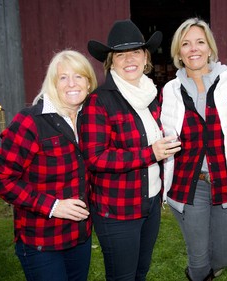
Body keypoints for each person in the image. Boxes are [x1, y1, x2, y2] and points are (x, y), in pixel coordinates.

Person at [81, 19, 181, 281]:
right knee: (122, 277)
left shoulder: (150, 95)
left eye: (136, 52)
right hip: (118, 209)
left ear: (146, 57)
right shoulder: (99, 101)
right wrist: (151, 153)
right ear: (111, 61)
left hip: (150, 202)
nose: (129, 60)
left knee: (140, 272)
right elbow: (95, 157)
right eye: (121, 55)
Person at [0, 49, 98, 281]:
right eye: (63, 77)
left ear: (88, 83)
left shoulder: (90, 120)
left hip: (80, 237)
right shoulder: (31, 121)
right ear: (52, 84)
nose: (71, 84)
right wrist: (52, 205)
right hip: (41, 241)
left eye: (79, 76)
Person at [160, 18, 227, 281]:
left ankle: (209, 269)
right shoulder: (170, 90)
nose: (193, 48)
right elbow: (160, 131)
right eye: (185, 43)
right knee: (198, 255)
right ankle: (199, 273)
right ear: (179, 52)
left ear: (210, 47)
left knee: (225, 255)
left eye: (199, 42)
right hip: (191, 185)